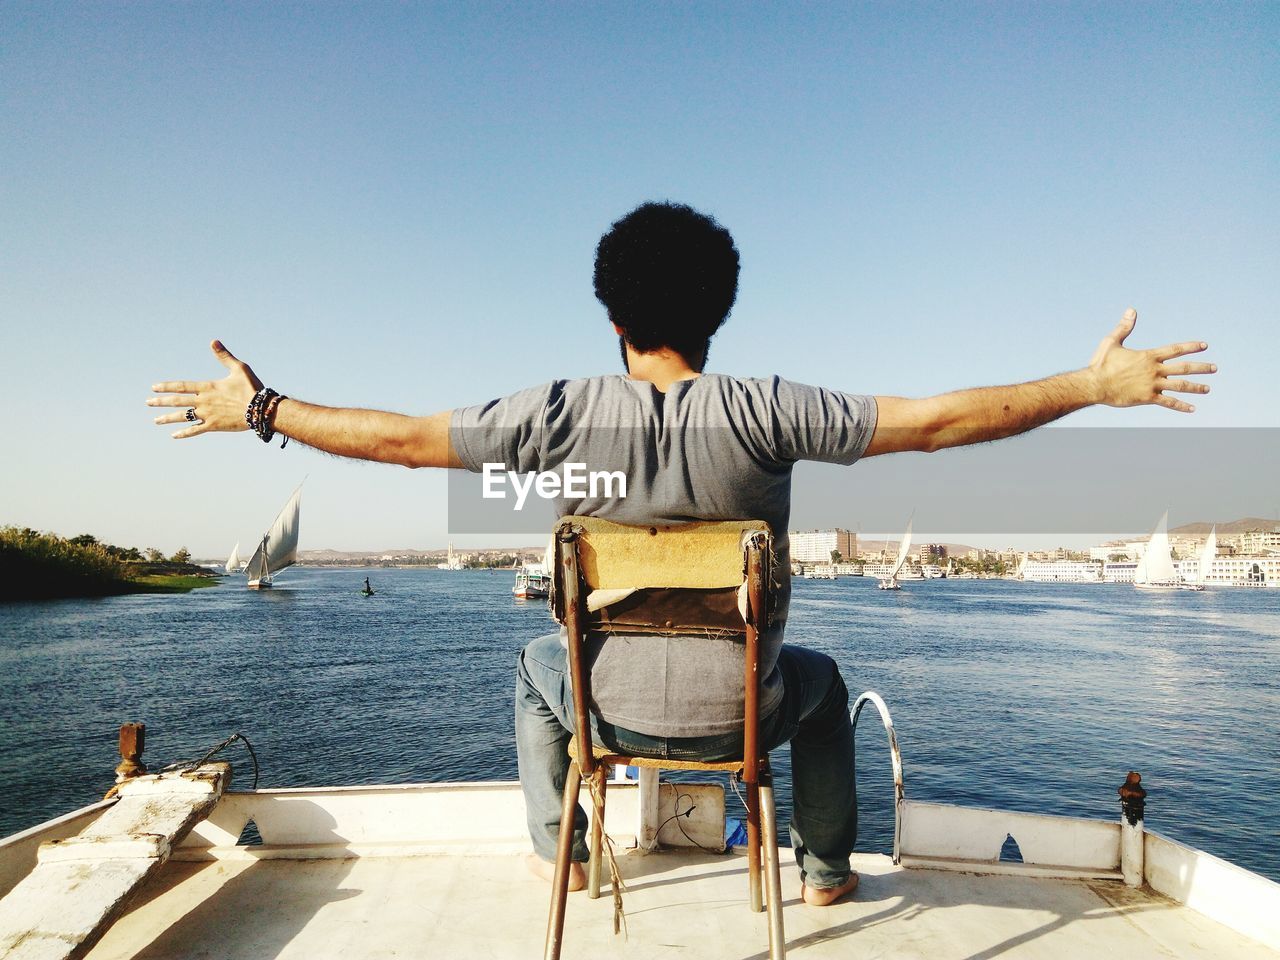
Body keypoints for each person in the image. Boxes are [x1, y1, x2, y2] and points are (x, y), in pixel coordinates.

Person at [148, 201, 1214, 905]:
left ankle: (561, 855)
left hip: (603, 715)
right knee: (827, 681)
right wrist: (1087, 385)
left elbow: (395, 439)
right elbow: (934, 422)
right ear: (718, 315)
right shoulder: (769, 409)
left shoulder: (553, 413)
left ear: (611, 317)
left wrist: (265, 407)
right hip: (744, 716)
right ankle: (826, 873)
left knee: (531, 674)